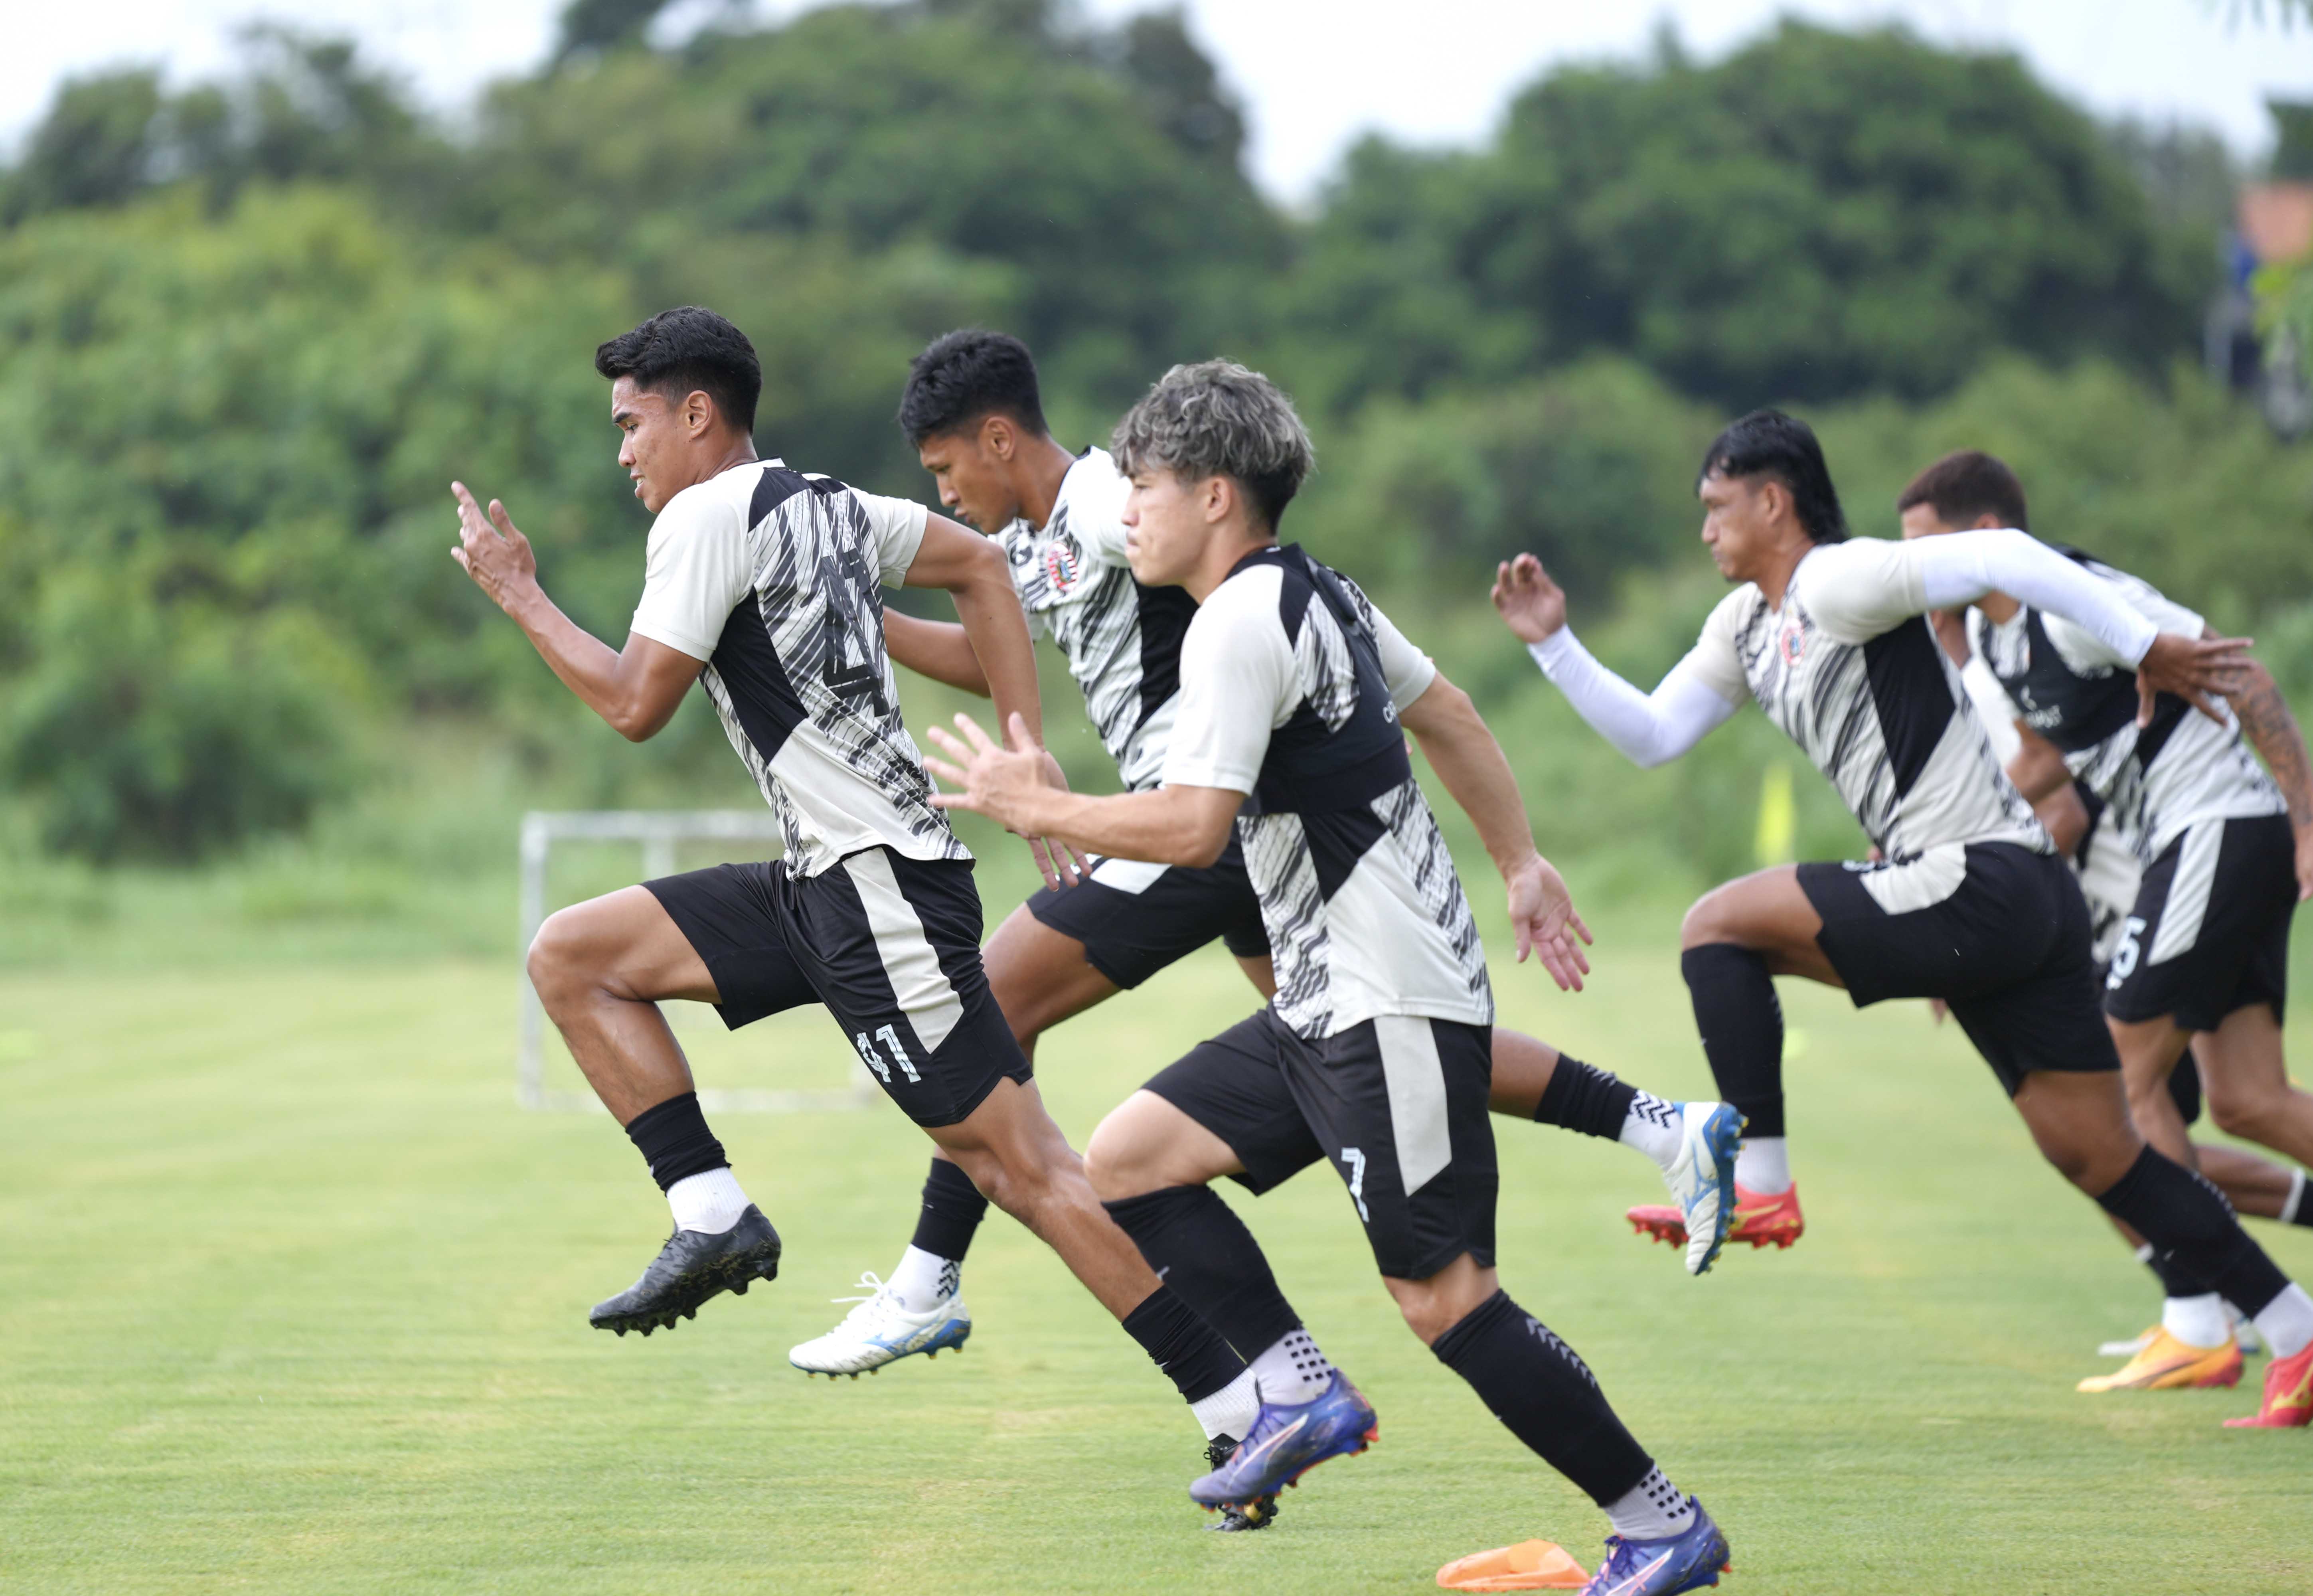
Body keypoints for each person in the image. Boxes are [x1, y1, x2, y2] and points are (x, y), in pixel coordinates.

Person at [789, 330, 1745, 1381]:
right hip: (1232, 844)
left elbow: (1195, 539)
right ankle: (1660, 1125)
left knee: (988, 1005)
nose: (948, 495)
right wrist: (862, 618)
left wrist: (1065, 799)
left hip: (1194, 831)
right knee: (1350, 1047)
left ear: (999, 438)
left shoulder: (1114, 504)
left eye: (945, 472)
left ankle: (929, 1279)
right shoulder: (1036, 546)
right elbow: (987, 656)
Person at [926, 360, 1734, 1596]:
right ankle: (1297, 1391)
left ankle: (1660, 1523)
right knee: (1135, 1157)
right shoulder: (1321, 593)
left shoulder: (1241, 621)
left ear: (1212, 496)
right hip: (1328, 992)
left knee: (1447, 1301)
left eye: (1139, 486)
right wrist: (1518, 861)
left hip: (1384, 993)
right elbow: (1451, 712)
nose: (1122, 511)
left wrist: (1043, 803)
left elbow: (1196, 829)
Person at [444, 304, 1262, 1477]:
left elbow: (633, 706)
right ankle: (713, 1215)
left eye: (631, 425)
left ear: (695, 413)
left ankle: (1237, 1402)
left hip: (878, 894)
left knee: (1022, 1169)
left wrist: (521, 593)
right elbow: (984, 577)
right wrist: (1022, 741)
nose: (622, 451)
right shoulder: (826, 502)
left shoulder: (702, 519)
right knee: (576, 956)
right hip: (827, 879)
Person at [1491, 408, 2313, 1428]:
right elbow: (1652, 734)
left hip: (1979, 880)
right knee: (2104, 1155)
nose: (1706, 532)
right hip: (2028, 893)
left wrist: (2146, 645)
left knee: (1715, 926)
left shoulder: (1836, 579)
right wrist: (1555, 645)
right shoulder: (1744, 627)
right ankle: (2304, 1331)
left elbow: (2001, 549)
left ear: (1772, 501)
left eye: (1717, 508)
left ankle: (1762, 1178)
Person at [1894, 448, 2313, 1390]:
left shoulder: (2077, 598)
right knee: (2250, 1098)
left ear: (1991, 539)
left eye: (1929, 550)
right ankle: (2241, 1294)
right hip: (2192, 840)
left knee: (2117, 1083)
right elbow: (2048, 768)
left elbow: (2241, 675)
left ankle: (2201, 1313)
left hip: (2219, 827)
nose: (1917, 573)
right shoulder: (1997, 639)